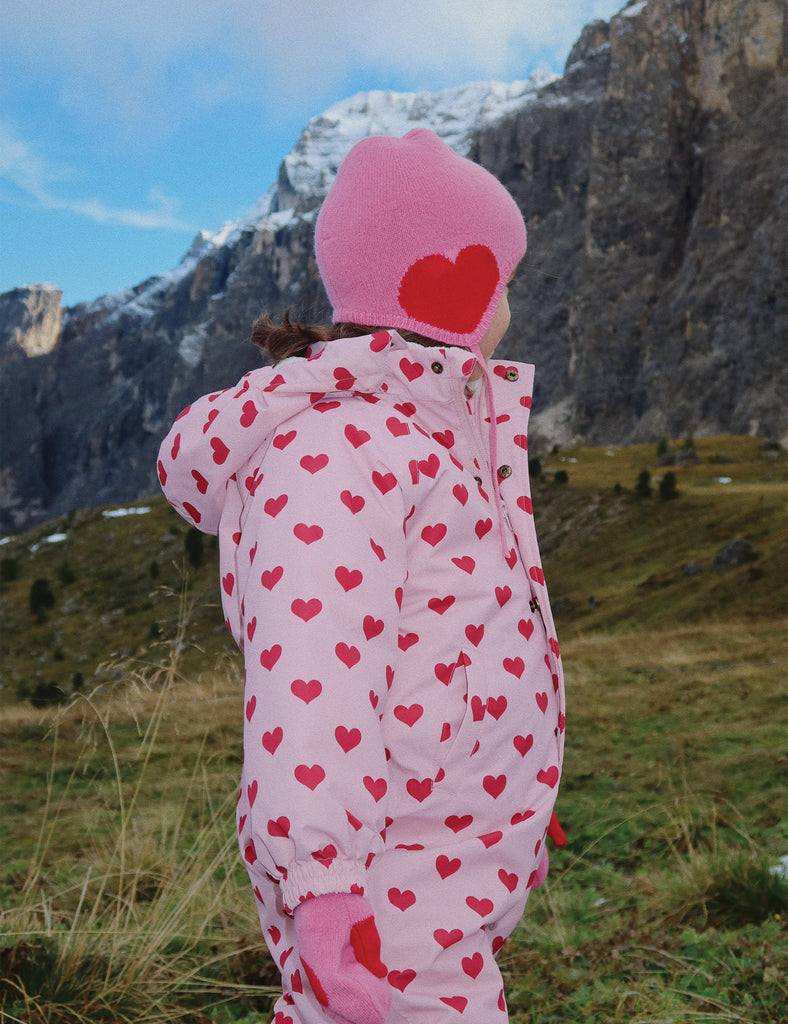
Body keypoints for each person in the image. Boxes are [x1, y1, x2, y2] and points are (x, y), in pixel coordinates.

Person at [157, 128, 566, 1024]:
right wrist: (320, 879)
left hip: (439, 851)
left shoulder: (432, 442)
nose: (511, 305)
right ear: (453, 284)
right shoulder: (338, 450)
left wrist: (511, 797)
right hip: (376, 873)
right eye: (507, 278)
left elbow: (460, 644)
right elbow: (312, 680)